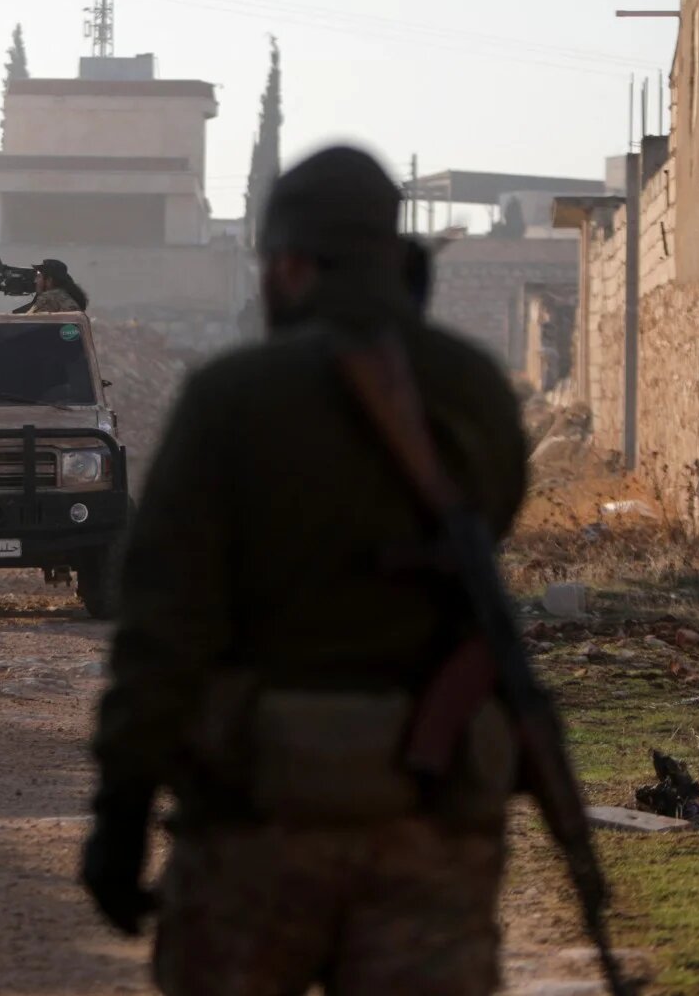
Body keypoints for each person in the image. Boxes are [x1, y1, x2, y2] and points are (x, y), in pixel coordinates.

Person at [80, 146, 529, 995]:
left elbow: (163, 627)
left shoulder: (230, 396)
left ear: (288, 264)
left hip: (255, 825)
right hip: (428, 816)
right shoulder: (474, 389)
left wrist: (121, 814)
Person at [20, 258, 89, 314]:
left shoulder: (48, 298)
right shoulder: (69, 295)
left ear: (49, 280)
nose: (35, 281)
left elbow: (26, 320)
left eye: (39, 277)